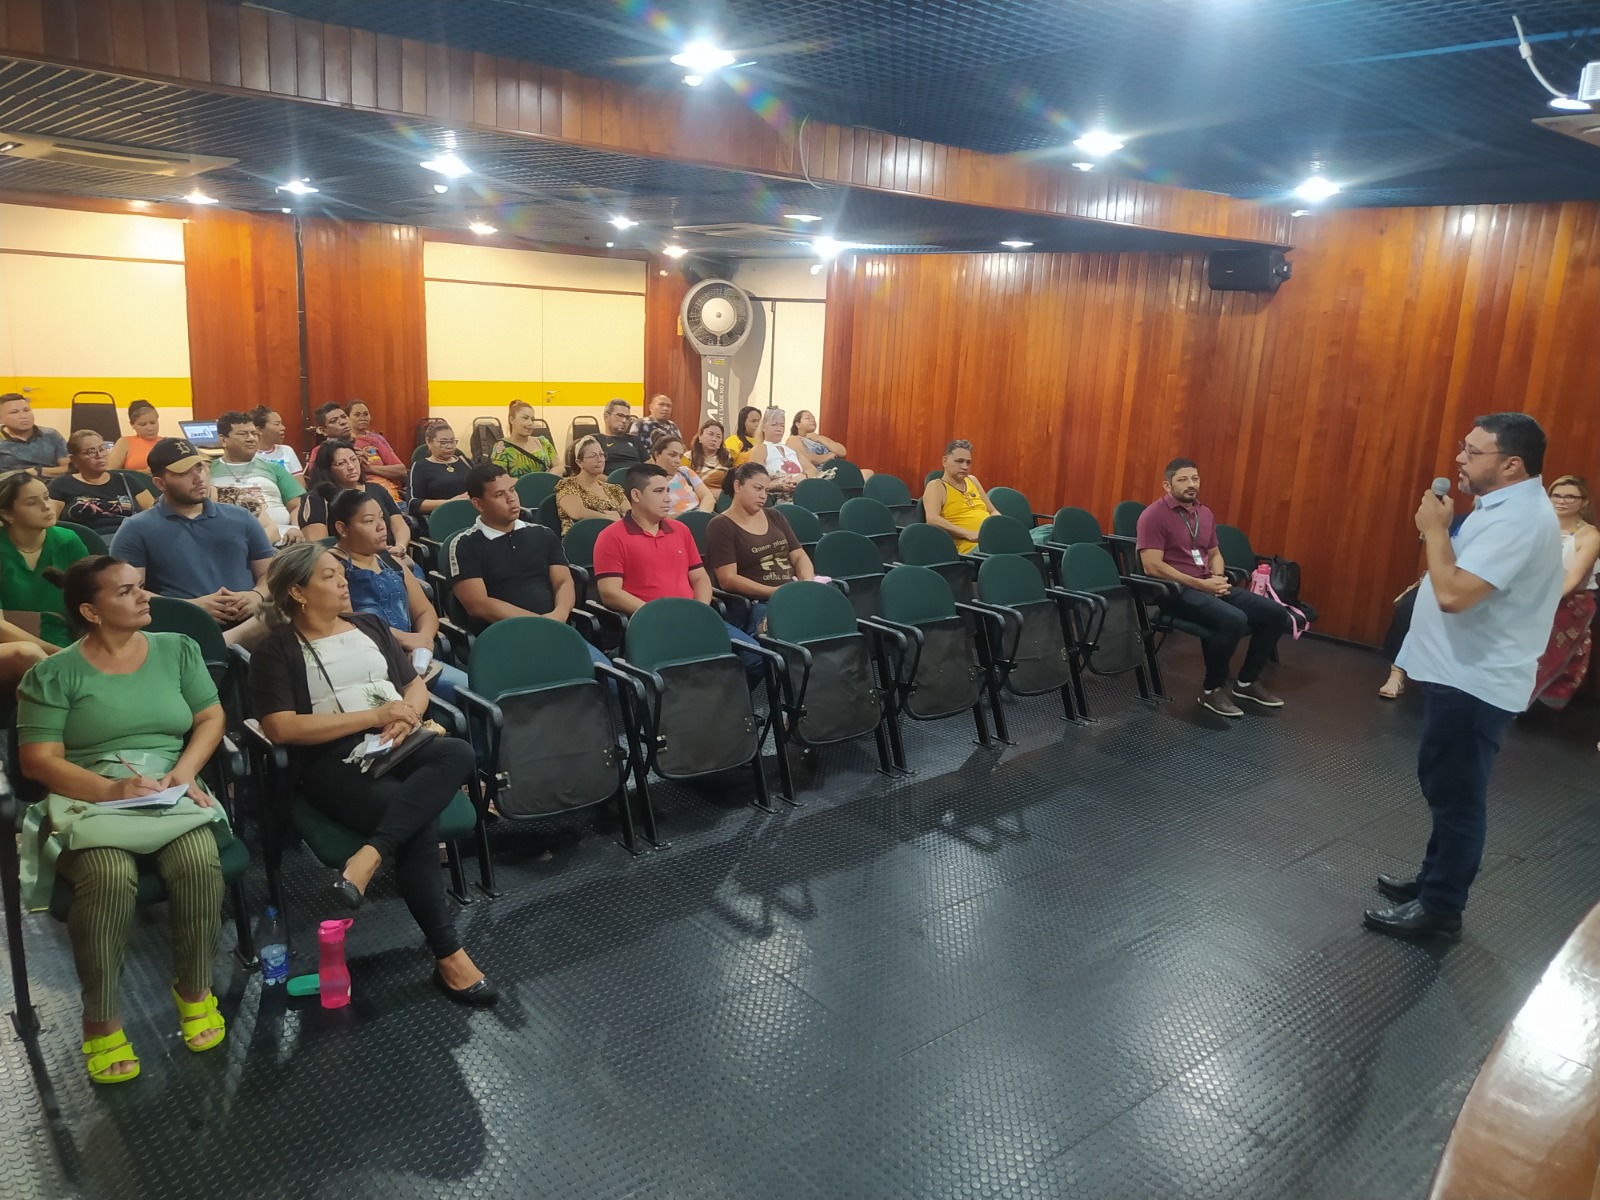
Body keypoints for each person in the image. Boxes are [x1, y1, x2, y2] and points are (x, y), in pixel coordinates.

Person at [248, 543, 496, 1006]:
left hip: (398, 740)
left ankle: (370, 854)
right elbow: (281, 727)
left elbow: (412, 686)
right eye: (328, 576)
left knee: (458, 751)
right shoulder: (275, 649)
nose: (343, 580)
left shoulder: (369, 625)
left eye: (339, 573)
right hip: (332, 760)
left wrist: (405, 717)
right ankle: (449, 955)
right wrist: (374, 717)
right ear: (298, 592)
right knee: (414, 820)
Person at [18, 556, 232, 1083]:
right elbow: (39, 761)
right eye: (126, 591)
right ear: (91, 611)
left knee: (198, 859)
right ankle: (101, 1019)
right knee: (108, 876)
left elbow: (210, 717)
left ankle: (194, 989)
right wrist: (112, 790)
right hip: (89, 790)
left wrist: (184, 772)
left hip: (167, 783)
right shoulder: (54, 673)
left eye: (141, 587)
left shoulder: (176, 649)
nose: (144, 597)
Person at [1365, 414, 1565, 941]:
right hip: (1459, 672)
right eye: (1463, 446)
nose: (1460, 458)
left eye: (1473, 451)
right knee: (1444, 784)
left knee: (1456, 797)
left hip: (1476, 681)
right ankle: (1433, 881)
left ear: (1511, 464)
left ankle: (1441, 908)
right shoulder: (1498, 506)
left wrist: (1435, 531)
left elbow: (1454, 594)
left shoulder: (1520, 520)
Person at [1136, 458, 1290, 717]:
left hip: (1206, 583)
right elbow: (1152, 566)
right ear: (1167, 485)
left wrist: (1217, 578)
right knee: (1234, 619)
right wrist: (1201, 584)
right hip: (1174, 591)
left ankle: (1246, 682)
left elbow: (1215, 553)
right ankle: (1212, 690)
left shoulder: (1204, 513)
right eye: (1183, 479)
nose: (1191, 484)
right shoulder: (1153, 515)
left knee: (1275, 613)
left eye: (1195, 478)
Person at [593, 464, 763, 684]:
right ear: (636, 495)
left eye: (668, 490)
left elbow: (699, 577)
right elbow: (610, 593)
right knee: (684, 674)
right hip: (652, 623)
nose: (668, 498)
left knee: (757, 658)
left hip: (693, 617)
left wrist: (699, 609)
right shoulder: (611, 536)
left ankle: (730, 704)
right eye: (658, 491)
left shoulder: (680, 530)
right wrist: (660, 615)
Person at [110, 437, 274, 648]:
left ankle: (224, 643)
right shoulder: (136, 529)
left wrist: (256, 595)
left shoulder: (241, 517)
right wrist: (192, 607)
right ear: (160, 483)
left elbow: (269, 574)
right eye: (184, 473)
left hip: (250, 622)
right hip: (181, 627)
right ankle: (221, 645)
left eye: (200, 467)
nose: (198, 478)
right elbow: (129, 592)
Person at [447, 464, 612, 668]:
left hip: (556, 629)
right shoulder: (465, 544)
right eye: (499, 495)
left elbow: (563, 581)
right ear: (478, 504)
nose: (511, 499)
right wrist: (538, 623)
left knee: (609, 677)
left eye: (512, 490)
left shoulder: (542, 534)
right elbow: (478, 605)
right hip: (503, 638)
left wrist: (558, 616)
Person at [329, 488, 466, 702]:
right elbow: (344, 622)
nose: (381, 526)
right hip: (369, 666)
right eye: (369, 521)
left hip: (412, 659)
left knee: (470, 691)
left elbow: (424, 611)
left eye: (381, 518)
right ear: (342, 528)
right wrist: (404, 639)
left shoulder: (391, 561)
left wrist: (422, 642)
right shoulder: (332, 567)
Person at [705, 463, 816, 634]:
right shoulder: (721, 525)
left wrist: (807, 582)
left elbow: (799, 555)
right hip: (759, 602)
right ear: (737, 486)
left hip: (792, 592)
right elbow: (728, 579)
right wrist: (775, 592)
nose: (763, 496)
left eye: (766, 490)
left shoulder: (775, 516)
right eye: (757, 489)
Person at [1529, 475, 1600, 710]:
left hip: (1570, 599)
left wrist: (1542, 603)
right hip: (1533, 593)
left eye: (1570, 497)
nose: (1561, 501)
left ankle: (1536, 700)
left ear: (1584, 502)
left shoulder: (1589, 535)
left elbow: (1573, 579)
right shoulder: (1539, 526)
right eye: (1556, 496)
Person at [0, 473, 89, 646]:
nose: (47, 506)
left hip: (66, 638)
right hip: (11, 646)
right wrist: (58, 655)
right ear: (8, 514)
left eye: (47, 497)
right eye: (32, 503)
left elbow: (92, 599)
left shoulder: (68, 541)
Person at [298, 439, 410, 557]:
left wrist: (400, 547)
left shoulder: (376, 489)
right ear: (327, 470)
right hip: (345, 561)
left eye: (354, 459)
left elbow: (399, 525)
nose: (351, 467)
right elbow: (319, 546)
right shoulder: (317, 498)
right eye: (341, 463)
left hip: (392, 555)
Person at [208, 410, 305, 545]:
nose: (251, 438)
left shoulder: (273, 468)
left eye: (254, 433)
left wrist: (295, 528)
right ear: (223, 440)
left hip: (282, 538)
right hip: (228, 540)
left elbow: (298, 504)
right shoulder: (207, 471)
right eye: (243, 434)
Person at [48, 430, 154, 537]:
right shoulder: (61, 485)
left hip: (130, 537)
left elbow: (154, 512)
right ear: (74, 459)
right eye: (91, 451)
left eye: (102, 449)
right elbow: (50, 523)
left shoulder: (126, 480)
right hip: (88, 540)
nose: (99, 455)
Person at [922, 439, 997, 554]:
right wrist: (968, 534)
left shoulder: (972, 480)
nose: (965, 467)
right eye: (960, 461)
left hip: (992, 539)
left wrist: (1001, 527)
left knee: (1026, 541)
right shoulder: (936, 486)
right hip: (971, 548)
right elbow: (932, 519)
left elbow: (993, 511)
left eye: (968, 462)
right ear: (945, 461)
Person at [554, 435, 627, 535]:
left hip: (616, 537)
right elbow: (577, 513)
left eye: (601, 455)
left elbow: (630, 514)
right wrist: (609, 517)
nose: (600, 459)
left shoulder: (613, 489)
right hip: (583, 538)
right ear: (579, 462)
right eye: (593, 456)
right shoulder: (568, 485)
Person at [741, 406, 816, 497]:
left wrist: (802, 476)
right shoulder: (760, 450)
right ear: (764, 427)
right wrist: (779, 485)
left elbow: (812, 470)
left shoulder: (791, 449)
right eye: (774, 425)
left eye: (782, 425)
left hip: (802, 490)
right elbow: (754, 480)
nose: (778, 429)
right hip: (778, 496)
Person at [407, 422, 470, 523]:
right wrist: (450, 503)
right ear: (429, 442)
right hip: (441, 518)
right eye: (443, 442)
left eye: (452, 441)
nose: (450, 446)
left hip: (471, 513)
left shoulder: (465, 461)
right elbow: (413, 504)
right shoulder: (420, 467)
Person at [347, 399, 408, 500]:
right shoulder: (344, 442)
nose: (362, 418)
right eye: (357, 415)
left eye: (365, 414)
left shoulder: (376, 439)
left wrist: (371, 469)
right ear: (347, 418)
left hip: (388, 490)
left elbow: (401, 470)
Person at [0, 393, 70, 478]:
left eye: (26, 410)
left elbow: (68, 468)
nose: (23, 416)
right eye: (14, 412)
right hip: (10, 484)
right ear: (1, 418)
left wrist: (38, 471)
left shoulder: (51, 435)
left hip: (49, 483)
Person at [787, 410, 872, 479]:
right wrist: (829, 456)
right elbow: (805, 458)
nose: (812, 420)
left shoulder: (819, 438)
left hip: (836, 469)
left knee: (868, 473)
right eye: (808, 418)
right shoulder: (794, 439)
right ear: (798, 424)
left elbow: (842, 452)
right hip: (821, 473)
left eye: (813, 418)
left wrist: (819, 438)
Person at [651, 433, 716, 516]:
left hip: (700, 515)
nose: (678, 461)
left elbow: (708, 497)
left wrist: (699, 517)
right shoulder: (649, 481)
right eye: (672, 455)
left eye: (680, 456)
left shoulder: (685, 472)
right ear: (657, 455)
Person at [490, 400, 558, 477]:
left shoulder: (543, 442)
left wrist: (548, 477)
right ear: (512, 420)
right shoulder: (502, 447)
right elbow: (500, 477)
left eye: (532, 419)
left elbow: (559, 467)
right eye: (525, 418)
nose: (530, 423)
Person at [105, 399, 160, 473]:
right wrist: (141, 473)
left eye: (153, 423)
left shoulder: (167, 443)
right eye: (143, 425)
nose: (150, 428)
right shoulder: (125, 443)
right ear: (132, 425)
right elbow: (110, 473)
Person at [250, 406, 304, 480]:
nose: (283, 428)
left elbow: (300, 484)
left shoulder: (287, 450)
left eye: (281, 423)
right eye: (277, 424)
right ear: (259, 430)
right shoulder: (248, 455)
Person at [596, 399, 647, 474]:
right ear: (606, 417)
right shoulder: (596, 440)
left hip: (637, 479)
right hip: (610, 480)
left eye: (627, 417)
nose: (624, 421)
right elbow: (590, 472)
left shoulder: (634, 440)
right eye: (620, 415)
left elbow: (651, 466)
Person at [690, 419, 734, 493]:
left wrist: (721, 494)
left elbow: (732, 486)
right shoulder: (689, 457)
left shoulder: (727, 459)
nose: (714, 439)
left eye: (718, 437)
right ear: (700, 436)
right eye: (710, 434)